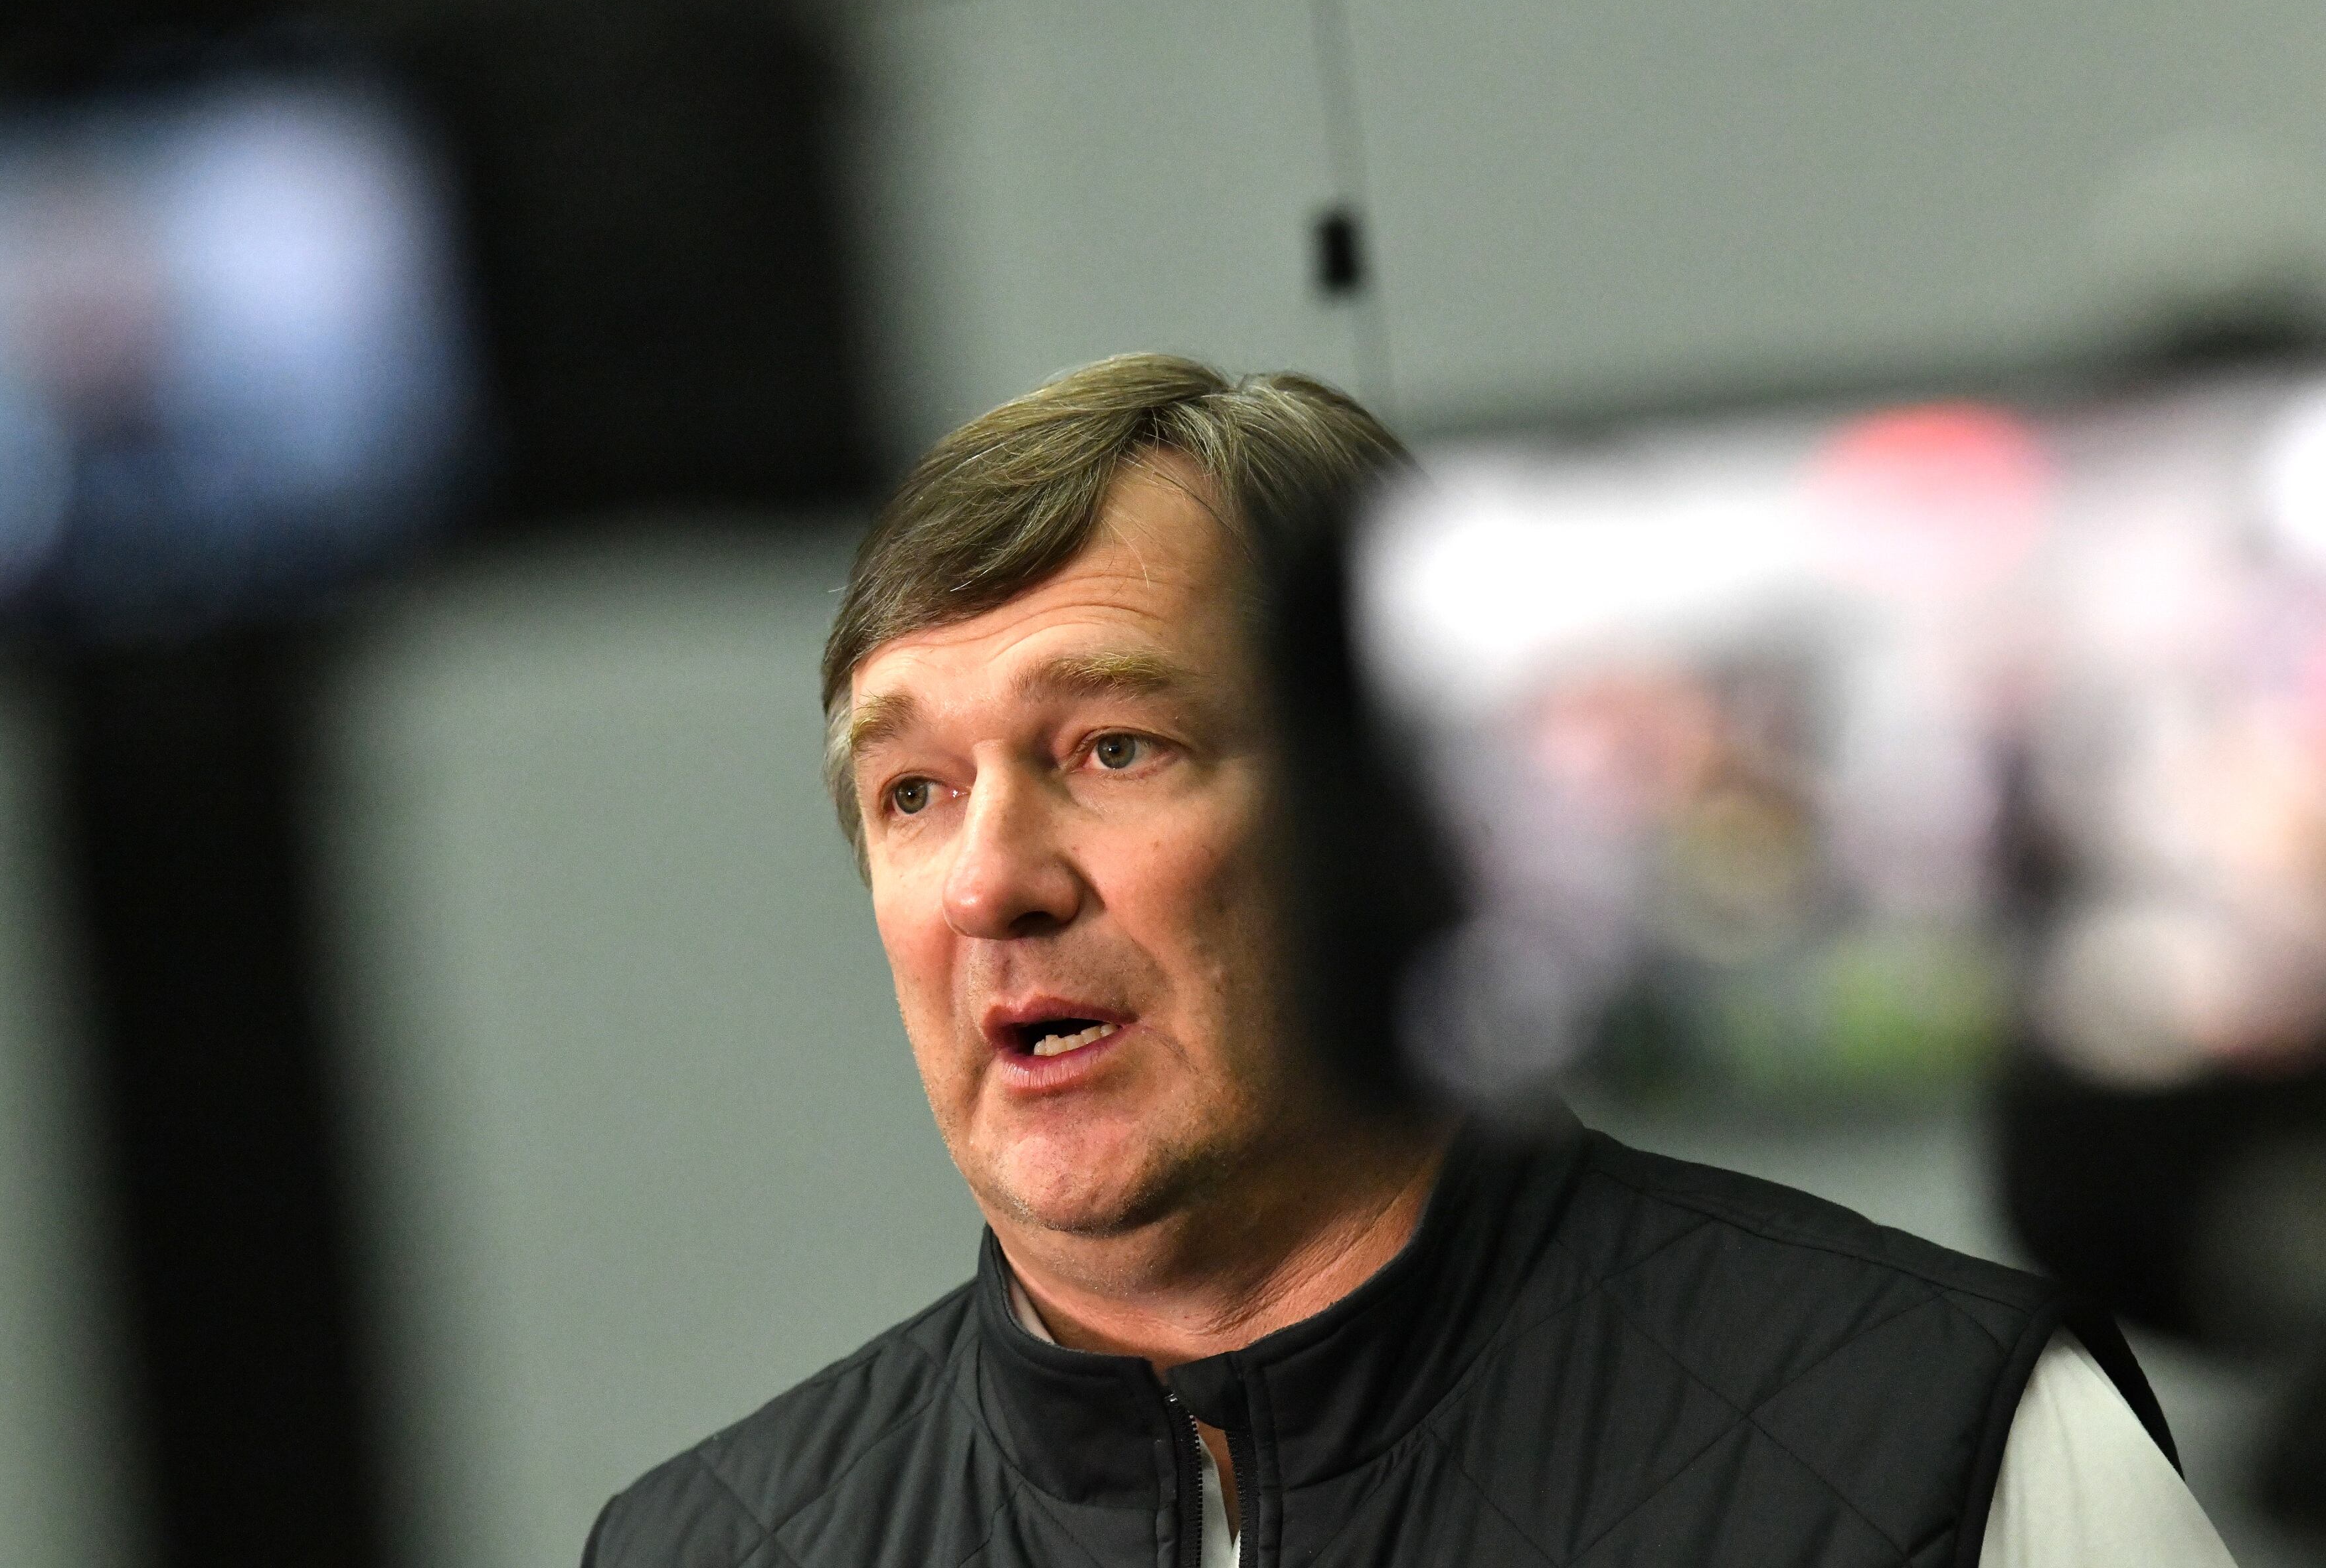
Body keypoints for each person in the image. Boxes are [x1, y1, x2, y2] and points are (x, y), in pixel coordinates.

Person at [584, 355, 2235, 1567]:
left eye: (1110, 747)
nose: (991, 882)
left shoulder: (1939, 1442)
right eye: (914, 790)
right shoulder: (704, 1546)